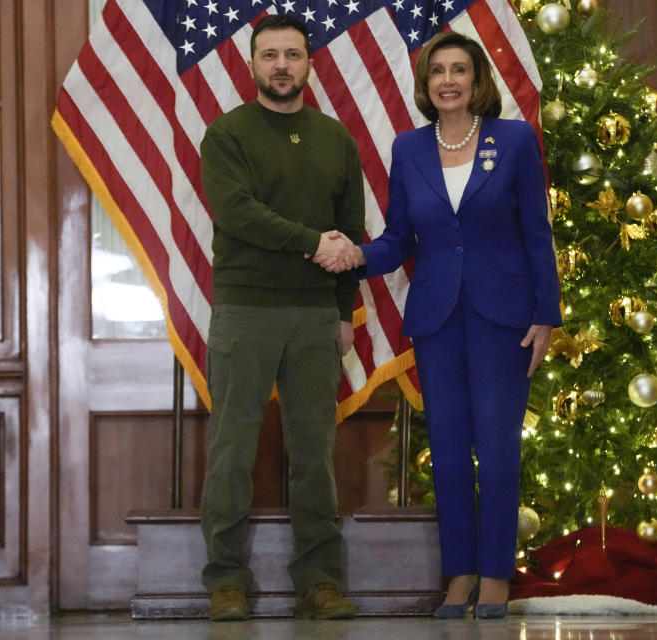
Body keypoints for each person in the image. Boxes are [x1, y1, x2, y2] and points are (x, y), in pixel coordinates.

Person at [314, 31, 562, 618]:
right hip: (436, 318)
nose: (448, 80)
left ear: (477, 81)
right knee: (449, 452)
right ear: (426, 85)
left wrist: (545, 316)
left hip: (505, 318)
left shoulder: (516, 139)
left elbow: (537, 233)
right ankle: (460, 575)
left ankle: (497, 575)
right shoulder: (410, 149)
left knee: (498, 450)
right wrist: (356, 254)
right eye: (437, 73)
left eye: (459, 70)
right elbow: (401, 238)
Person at [198, 14, 363, 622]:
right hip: (246, 311)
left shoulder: (337, 139)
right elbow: (238, 213)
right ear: (251, 65)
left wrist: (343, 310)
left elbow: (350, 231)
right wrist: (313, 243)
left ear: (310, 63)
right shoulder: (227, 134)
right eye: (270, 55)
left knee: (314, 454)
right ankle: (226, 582)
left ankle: (319, 580)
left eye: (292, 54)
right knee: (232, 451)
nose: (281, 66)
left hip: (316, 316)